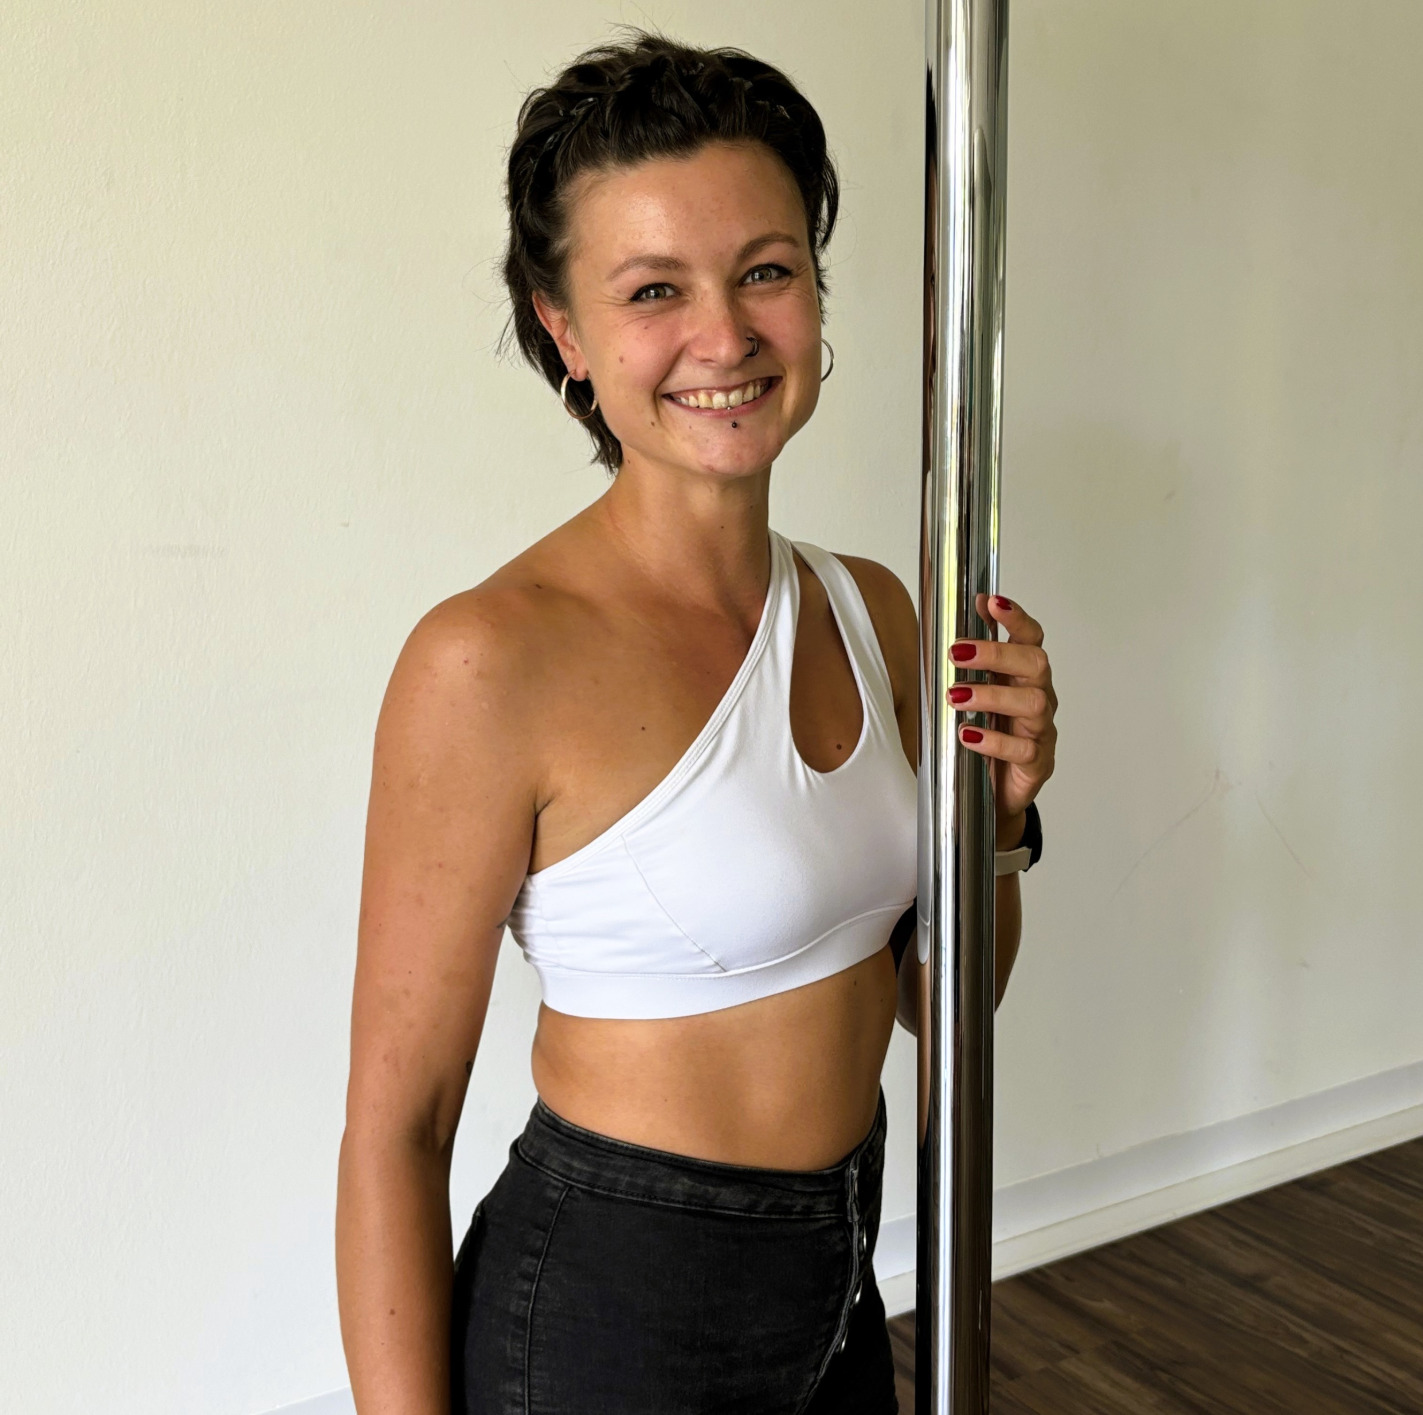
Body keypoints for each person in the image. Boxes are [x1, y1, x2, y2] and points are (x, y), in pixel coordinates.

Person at [335, 30, 1058, 1415]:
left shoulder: (876, 610)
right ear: (566, 332)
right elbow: (395, 1132)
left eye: (766, 271)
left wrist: (1003, 824)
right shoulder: (488, 661)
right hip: (613, 1327)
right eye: (655, 289)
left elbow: (944, 1006)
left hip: (841, 1289)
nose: (725, 337)